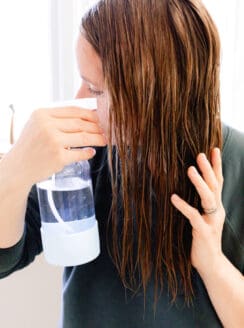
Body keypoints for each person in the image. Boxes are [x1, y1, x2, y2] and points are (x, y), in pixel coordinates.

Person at [0, 0, 243, 327]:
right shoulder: (88, 148)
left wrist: (212, 263)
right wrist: (13, 174)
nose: (79, 99)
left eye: (96, 89)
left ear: (153, 92)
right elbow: (6, 255)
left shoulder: (236, 164)